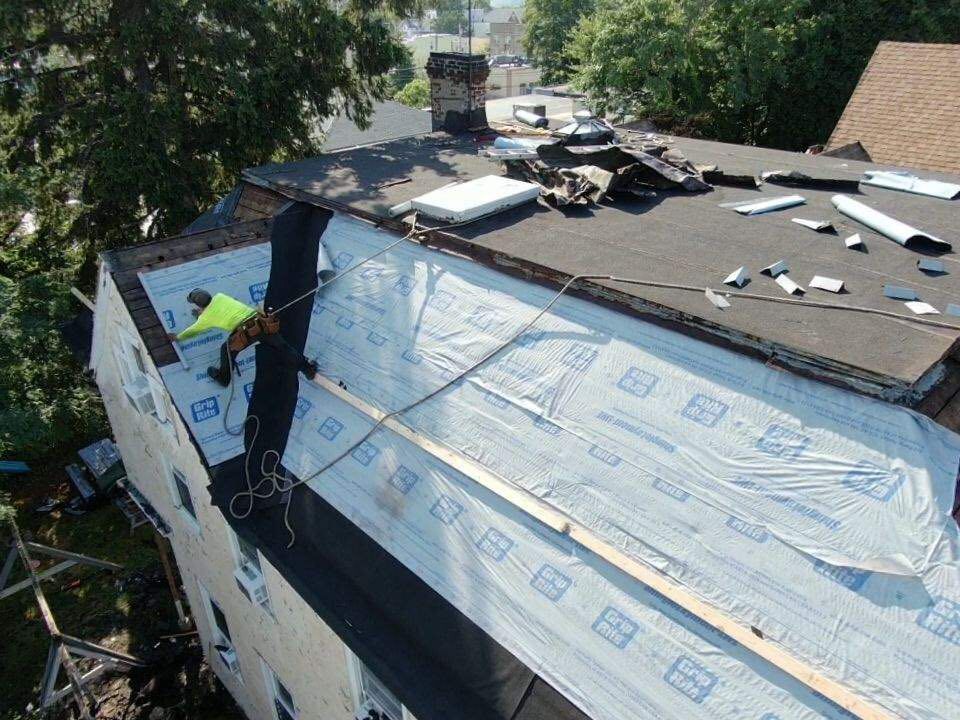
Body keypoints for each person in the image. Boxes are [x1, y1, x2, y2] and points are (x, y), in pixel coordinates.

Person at [168, 288, 317, 387]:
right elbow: (215, 309)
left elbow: (193, 331)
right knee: (283, 347)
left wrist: (177, 337)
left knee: (226, 350)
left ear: (197, 305)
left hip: (245, 332)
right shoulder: (220, 296)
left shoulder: (205, 318)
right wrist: (202, 313)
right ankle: (308, 369)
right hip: (261, 323)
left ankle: (223, 378)